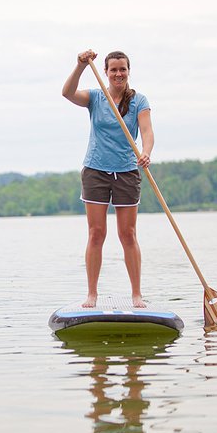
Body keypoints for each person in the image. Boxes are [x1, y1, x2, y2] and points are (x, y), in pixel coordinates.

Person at [62, 50, 154, 308]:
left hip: (126, 171)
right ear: (106, 72)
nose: (118, 74)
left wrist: (146, 152)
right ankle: (92, 294)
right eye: (113, 69)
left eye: (122, 69)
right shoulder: (95, 97)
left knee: (128, 234)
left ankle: (136, 294)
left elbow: (147, 131)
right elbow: (67, 93)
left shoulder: (138, 101)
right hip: (96, 170)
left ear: (128, 71)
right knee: (96, 233)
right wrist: (79, 66)